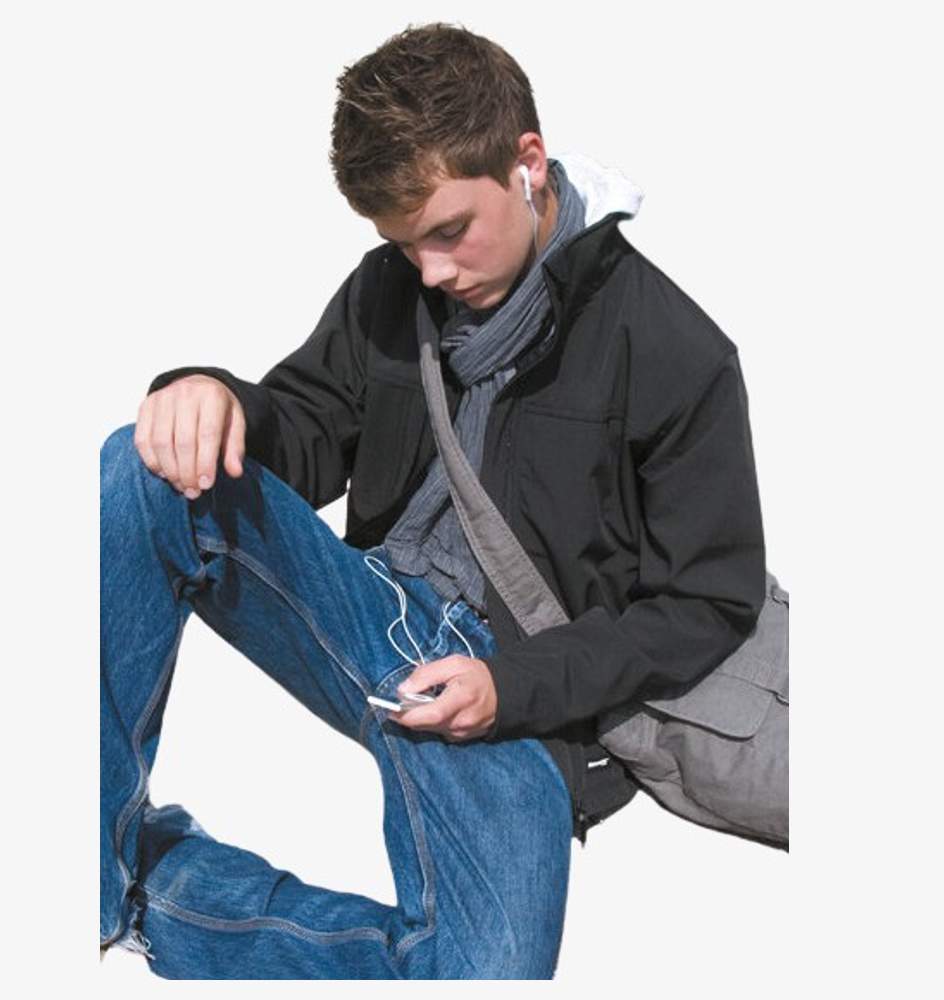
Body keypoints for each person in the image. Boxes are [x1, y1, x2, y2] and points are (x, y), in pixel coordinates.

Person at [100, 22, 766, 979]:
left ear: (526, 164)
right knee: (145, 469)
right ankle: (75, 878)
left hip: (522, 701)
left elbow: (705, 605)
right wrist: (213, 398)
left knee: (482, 976)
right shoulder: (394, 288)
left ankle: (159, 896)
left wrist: (509, 689)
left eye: (449, 232)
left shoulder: (674, 348)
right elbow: (306, 432)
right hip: (370, 613)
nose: (433, 272)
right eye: (403, 245)